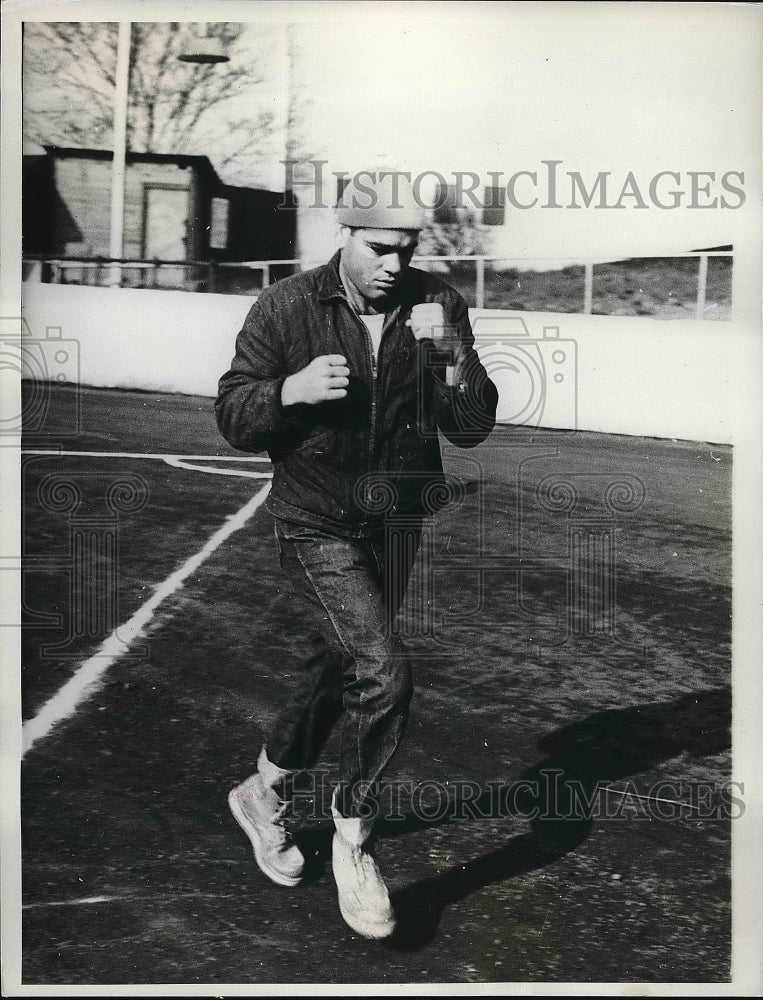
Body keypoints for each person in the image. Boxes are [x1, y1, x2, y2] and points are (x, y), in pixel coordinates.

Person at [215, 171, 498, 939]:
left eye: (407, 249)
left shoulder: (436, 305)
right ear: (343, 235)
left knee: (337, 667)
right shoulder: (285, 308)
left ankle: (262, 792)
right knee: (382, 669)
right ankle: (355, 835)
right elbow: (233, 415)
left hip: (394, 522)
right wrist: (290, 393)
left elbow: (470, 426)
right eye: (379, 248)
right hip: (313, 523)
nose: (394, 265)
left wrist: (451, 362)